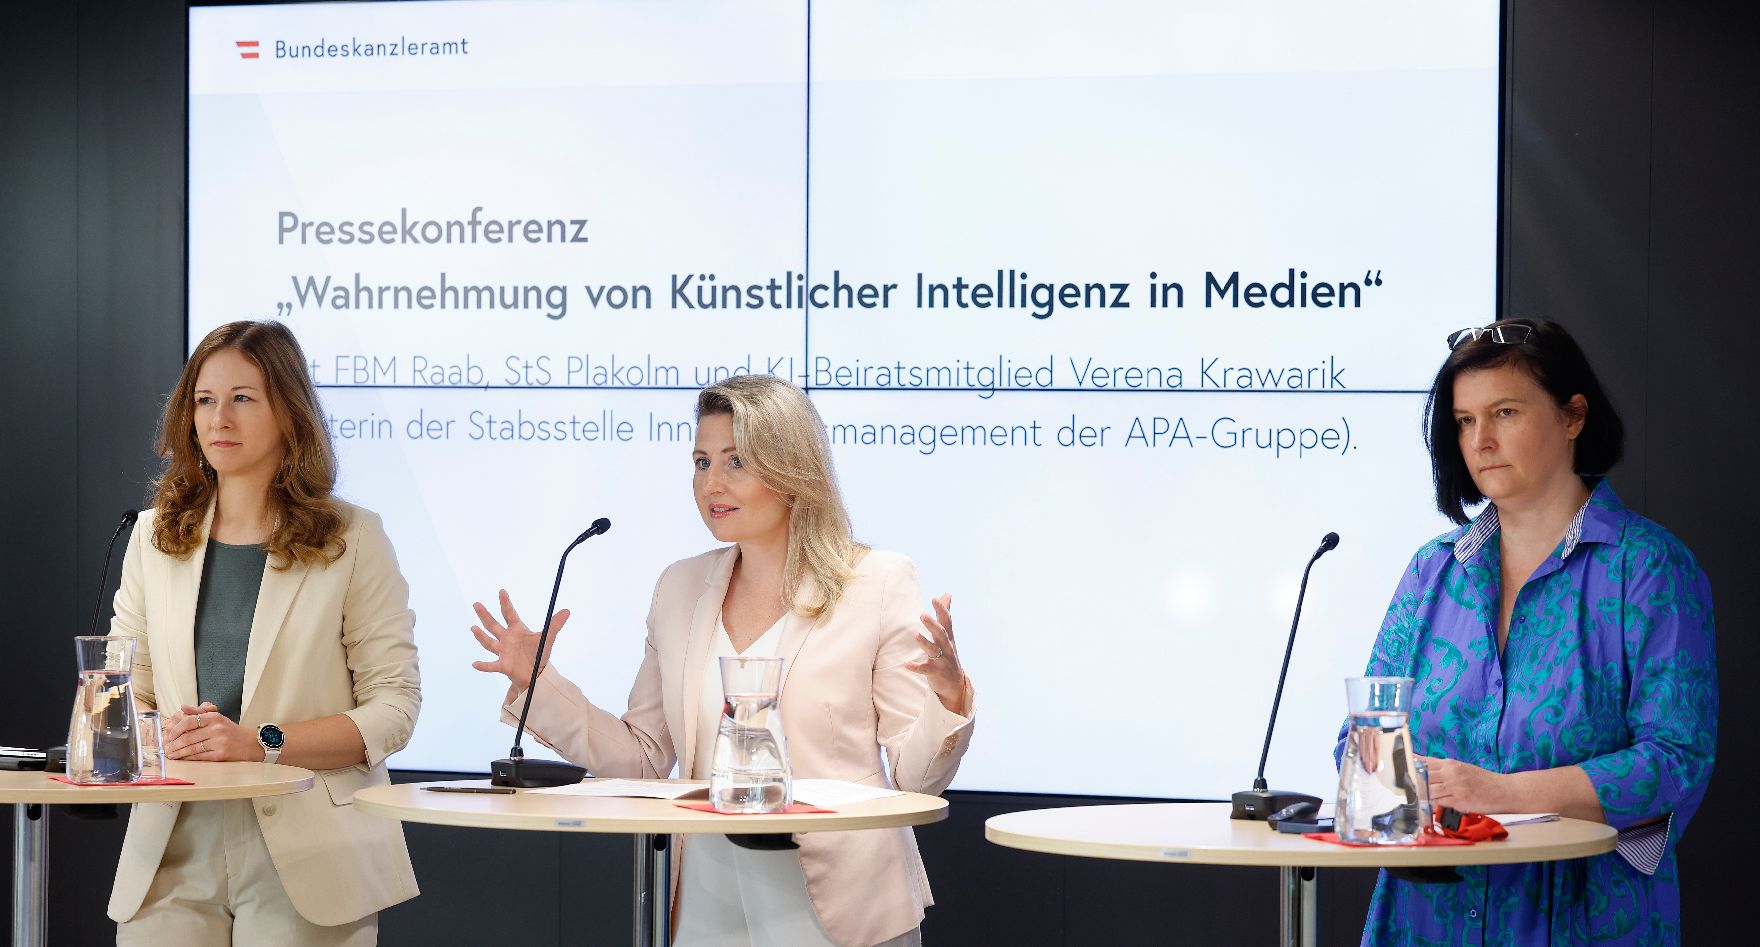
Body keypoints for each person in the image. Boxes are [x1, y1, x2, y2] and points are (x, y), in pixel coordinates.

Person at [470, 374, 975, 947]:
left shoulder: (876, 582)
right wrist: (540, 684)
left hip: (839, 903)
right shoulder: (679, 588)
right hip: (705, 902)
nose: (712, 483)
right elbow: (643, 760)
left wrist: (948, 697)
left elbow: (916, 778)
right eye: (701, 461)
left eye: (736, 461)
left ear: (791, 471)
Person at [1341, 319, 1716, 944]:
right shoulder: (1432, 570)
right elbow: (1363, 739)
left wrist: (1501, 793)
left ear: (1573, 417)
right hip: (1427, 916)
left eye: (1505, 412)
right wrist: (1392, 786)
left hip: (1582, 914)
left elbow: (1675, 761)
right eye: (1464, 421)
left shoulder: (1649, 567)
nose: (1481, 440)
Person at [108, 321, 421, 945]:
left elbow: (395, 708)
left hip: (310, 852)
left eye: (243, 398)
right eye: (205, 400)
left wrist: (260, 742)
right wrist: (155, 734)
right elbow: (124, 692)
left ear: (289, 412)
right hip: (172, 844)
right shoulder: (151, 537)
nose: (219, 417)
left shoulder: (353, 538)